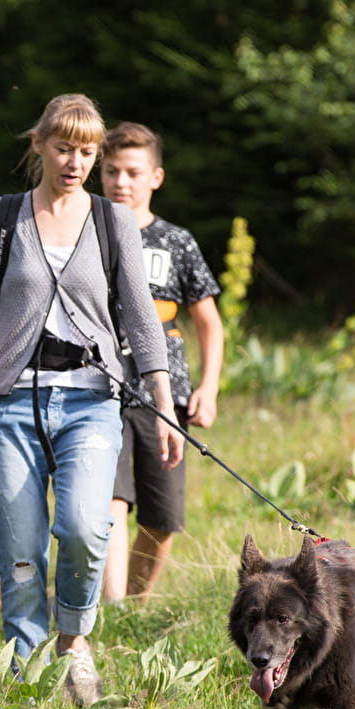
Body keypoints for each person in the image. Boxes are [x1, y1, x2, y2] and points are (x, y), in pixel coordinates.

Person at [0, 94, 185, 706]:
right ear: (39, 146)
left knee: (82, 526)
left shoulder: (113, 222)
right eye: (63, 148)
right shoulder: (0, 216)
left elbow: (139, 317)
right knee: (20, 551)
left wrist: (163, 404)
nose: (75, 162)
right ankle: (28, 674)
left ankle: (74, 643)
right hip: (7, 404)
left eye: (86, 151)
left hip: (90, 402)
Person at [97, 122, 224, 605]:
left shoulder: (177, 242)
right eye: (112, 171)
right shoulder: (89, 232)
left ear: (156, 177)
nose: (121, 182)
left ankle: (133, 604)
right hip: (102, 389)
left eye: (133, 172)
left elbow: (209, 322)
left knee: (162, 517)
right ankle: (107, 608)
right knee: (110, 503)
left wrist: (207, 389)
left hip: (164, 398)